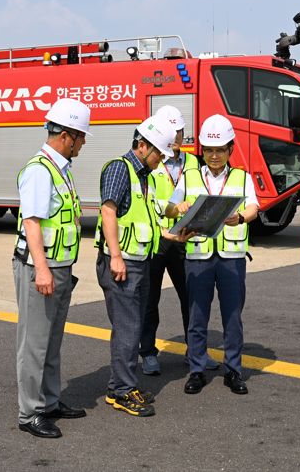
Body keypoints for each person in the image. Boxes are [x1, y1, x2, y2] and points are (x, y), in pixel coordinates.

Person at [95, 115, 194, 417]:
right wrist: (115, 257)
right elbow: (108, 212)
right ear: (142, 145)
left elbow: (148, 219)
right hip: (122, 264)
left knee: (133, 327)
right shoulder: (119, 169)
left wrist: (174, 233)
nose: (160, 160)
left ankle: (122, 384)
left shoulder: (146, 177)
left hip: (140, 263)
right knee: (127, 329)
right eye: (158, 154)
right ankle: (122, 391)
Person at [13, 98, 91, 439]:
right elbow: (31, 222)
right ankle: (29, 413)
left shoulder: (60, 168)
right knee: (35, 343)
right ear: (67, 136)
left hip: (60, 266)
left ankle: (49, 402)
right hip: (41, 268)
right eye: (82, 136)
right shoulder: (39, 170)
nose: (84, 142)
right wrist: (41, 269)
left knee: (52, 340)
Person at [166, 114, 259, 395]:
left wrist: (240, 218)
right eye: (209, 150)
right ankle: (196, 370)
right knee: (197, 316)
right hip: (198, 257)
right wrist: (178, 208)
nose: (214, 156)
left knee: (233, 316)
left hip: (231, 257)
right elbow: (169, 209)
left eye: (220, 150)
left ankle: (233, 370)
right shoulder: (189, 176)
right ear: (202, 151)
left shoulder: (242, 177)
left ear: (231, 149)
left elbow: (254, 207)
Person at [140, 105, 219, 376]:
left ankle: (195, 350)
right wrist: (171, 207)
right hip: (157, 238)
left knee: (192, 298)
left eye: (179, 132)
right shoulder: (150, 163)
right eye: (170, 132)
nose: (175, 138)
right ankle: (148, 352)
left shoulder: (195, 163)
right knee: (149, 299)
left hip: (186, 239)